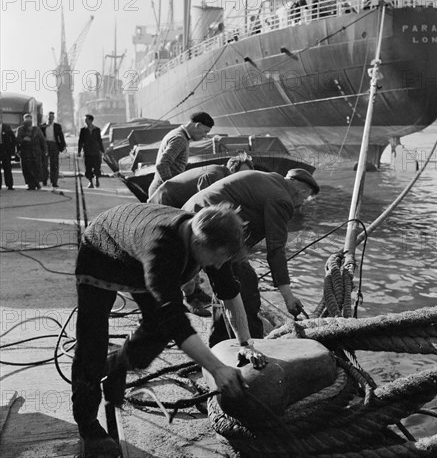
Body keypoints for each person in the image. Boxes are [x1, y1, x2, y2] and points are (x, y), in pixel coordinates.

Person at [72, 202, 267, 457]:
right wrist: (217, 368)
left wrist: (245, 343)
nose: (218, 267)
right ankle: (88, 426)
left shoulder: (210, 236)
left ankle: (117, 363)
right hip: (101, 252)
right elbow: (174, 319)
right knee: (92, 343)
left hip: (137, 253)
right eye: (216, 260)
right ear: (197, 244)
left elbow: (228, 290)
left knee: (158, 329)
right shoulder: (161, 248)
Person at [183, 168, 320, 346]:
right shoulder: (282, 199)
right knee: (245, 286)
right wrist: (288, 296)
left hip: (193, 218)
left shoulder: (271, 179)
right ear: (302, 192)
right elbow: (276, 248)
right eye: (306, 197)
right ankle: (256, 348)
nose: (303, 202)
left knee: (225, 285)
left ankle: (220, 344)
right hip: (210, 229)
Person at [147, 152, 255, 316]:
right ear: (231, 170)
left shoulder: (229, 182)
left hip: (182, 207)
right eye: (240, 174)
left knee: (204, 252)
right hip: (167, 203)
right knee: (192, 251)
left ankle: (196, 291)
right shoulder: (213, 175)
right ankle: (190, 299)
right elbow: (202, 208)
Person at [147, 112, 214, 198]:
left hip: (159, 190)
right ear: (198, 125)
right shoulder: (180, 139)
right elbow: (162, 165)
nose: (205, 136)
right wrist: (171, 188)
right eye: (205, 131)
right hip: (162, 194)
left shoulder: (176, 132)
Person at [16, 113, 47, 190]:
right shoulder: (20, 129)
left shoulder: (36, 129)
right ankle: (30, 184)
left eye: (29, 119)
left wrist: (45, 150)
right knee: (27, 169)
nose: (28, 121)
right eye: (27, 119)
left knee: (37, 168)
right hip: (25, 153)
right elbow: (17, 140)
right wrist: (23, 140)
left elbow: (42, 140)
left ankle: (36, 182)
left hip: (36, 152)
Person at [40, 111, 66, 188]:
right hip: (45, 145)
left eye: (52, 117)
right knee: (44, 164)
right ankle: (44, 180)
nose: (50, 118)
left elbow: (61, 136)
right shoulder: (42, 126)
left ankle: (54, 181)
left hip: (54, 145)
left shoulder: (57, 126)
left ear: (53, 118)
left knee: (54, 164)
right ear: (46, 117)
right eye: (49, 117)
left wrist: (63, 146)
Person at [78, 114, 104, 188]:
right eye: (85, 119)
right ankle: (90, 182)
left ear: (90, 120)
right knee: (88, 167)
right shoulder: (83, 130)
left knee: (97, 167)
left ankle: (96, 179)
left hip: (96, 151)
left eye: (86, 119)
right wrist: (79, 151)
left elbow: (99, 140)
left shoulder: (97, 129)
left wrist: (102, 151)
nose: (85, 121)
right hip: (87, 152)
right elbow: (80, 141)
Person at [0, 114, 16, 190]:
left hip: (5, 150)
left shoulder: (6, 127)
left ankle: (9, 185)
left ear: (1, 118)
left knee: (7, 168)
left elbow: (13, 138)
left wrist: (12, 149)